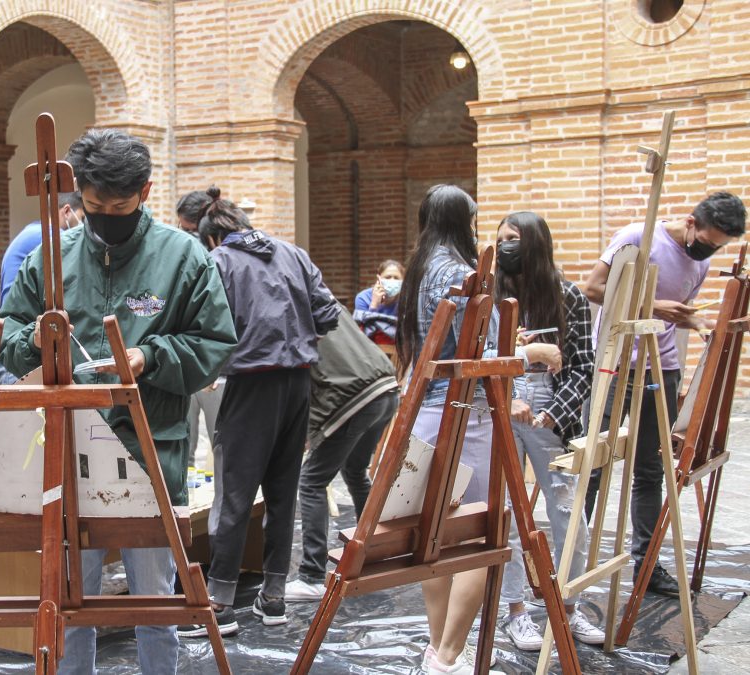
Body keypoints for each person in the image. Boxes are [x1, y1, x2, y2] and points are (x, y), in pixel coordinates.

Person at [0, 129, 237, 675]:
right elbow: (8, 334)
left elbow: (215, 344)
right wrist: (34, 339)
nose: (106, 217)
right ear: (77, 197)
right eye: (94, 206)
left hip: (149, 452)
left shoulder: (183, 257)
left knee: (155, 602)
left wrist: (150, 357)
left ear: (145, 192)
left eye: (120, 207)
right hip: (66, 455)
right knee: (70, 603)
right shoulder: (53, 258)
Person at [396, 185, 559, 674]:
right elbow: (472, 358)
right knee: (481, 540)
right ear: (461, 223)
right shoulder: (460, 272)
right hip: (465, 415)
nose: (477, 231)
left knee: (436, 536)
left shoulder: (420, 268)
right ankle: (448, 656)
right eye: (473, 222)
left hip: (430, 413)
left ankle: (438, 648)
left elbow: (442, 348)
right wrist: (528, 353)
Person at [178, 187, 338, 637]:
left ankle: (220, 605)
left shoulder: (219, 262)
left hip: (250, 387)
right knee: (282, 493)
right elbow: (328, 315)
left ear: (211, 237)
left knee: (234, 494)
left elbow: (202, 326)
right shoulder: (293, 253)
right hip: (298, 385)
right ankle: (273, 598)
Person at [583, 191, 746, 597]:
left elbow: (675, 312)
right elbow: (594, 288)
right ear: (691, 222)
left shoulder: (700, 262)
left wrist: (697, 322)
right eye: (706, 242)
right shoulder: (638, 237)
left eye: (718, 247)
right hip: (614, 363)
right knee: (592, 465)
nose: (708, 252)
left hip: (662, 368)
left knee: (651, 471)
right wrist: (655, 306)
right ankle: (570, 559)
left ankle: (647, 567)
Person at [493, 211, 604, 650]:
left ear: (534, 244)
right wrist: (507, 394)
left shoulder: (566, 294)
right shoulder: (493, 294)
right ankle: (515, 611)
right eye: (501, 238)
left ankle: (569, 607)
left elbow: (583, 365)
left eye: (513, 238)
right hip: (502, 408)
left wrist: (555, 413)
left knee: (568, 513)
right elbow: (483, 357)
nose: (504, 246)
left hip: (551, 413)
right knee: (505, 514)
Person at [283, 301, 399, 602]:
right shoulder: (321, 296)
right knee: (355, 471)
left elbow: (296, 372)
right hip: (383, 387)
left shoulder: (286, 307)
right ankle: (372, 553)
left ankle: (311, 575)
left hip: (352, 397)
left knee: (311, 481)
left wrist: (305, 431)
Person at [175, 189, 224, 523]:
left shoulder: (219, 260)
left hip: (216, 367)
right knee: (186, 436)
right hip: (189, 360)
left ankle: (218, 519)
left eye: (188, 230)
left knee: (221, 443)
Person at [0, 191, 83, 306]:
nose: (82, 223)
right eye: (82, 218)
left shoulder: (35, 230)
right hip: (20, 310)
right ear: (67, 212)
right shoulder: (52, 236)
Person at [353, 259, 404, 345]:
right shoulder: (363, 298)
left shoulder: (406, 299)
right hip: (371, 345)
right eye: (388, 277)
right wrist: (374, 304)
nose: (392, 280)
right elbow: (364, 331)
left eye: (396, 278)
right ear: (379, 278)